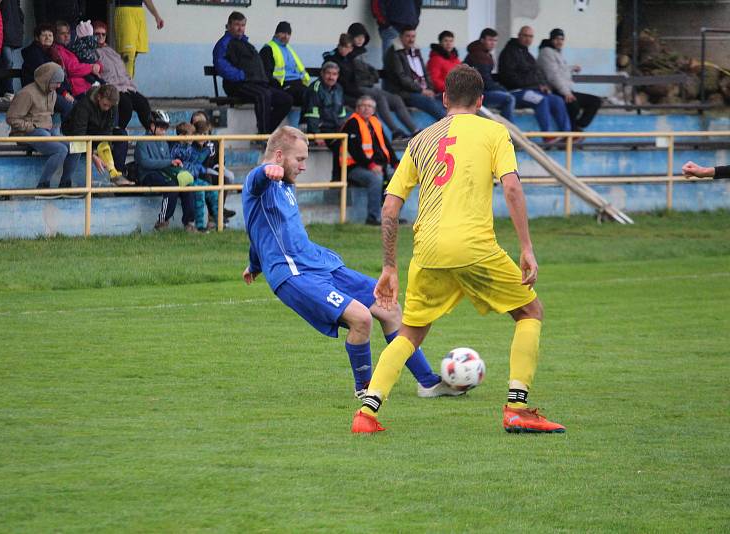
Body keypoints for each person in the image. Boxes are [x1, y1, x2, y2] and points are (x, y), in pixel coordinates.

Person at [351, 65, 565, 434]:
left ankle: (367, 414)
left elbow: (389, 208)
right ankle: (517, 407)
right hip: (474, 246)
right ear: (481, 101)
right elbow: (512, 189)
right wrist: (526, 247)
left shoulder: (419, 140)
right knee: (530, 311)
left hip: (428, 251)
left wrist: (389, 267)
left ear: (444, 99)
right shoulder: (494, 131)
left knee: (410, 334)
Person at [242, 124, 463, 399]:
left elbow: (258, 230)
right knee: (361, 319)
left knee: (389, 307)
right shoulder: (260, 181)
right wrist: (266, 172)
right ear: (278, 156)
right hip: (295, 275)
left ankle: (428, 382)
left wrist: (254, 264)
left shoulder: (285, 185)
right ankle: (366, 391)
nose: (303, 166)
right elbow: (256, 180)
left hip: (321, 264)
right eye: (299, 159)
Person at [213, 11, 293, 135]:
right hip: (237, 85)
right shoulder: (224, 43)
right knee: (263, 95)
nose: (240, 28)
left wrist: (265, 79)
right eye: (237, 25)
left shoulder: (246, 43)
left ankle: (265, 132)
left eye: (243, 25)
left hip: (256, 83)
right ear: (228, 26)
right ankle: (263, 134)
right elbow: (221, 66)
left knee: (286, 99)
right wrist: (241, 76)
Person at [324, 32, 415, 139]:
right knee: (372, 104)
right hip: (344, 94)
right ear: (339, 46)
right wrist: (360, 92)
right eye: (343, 47)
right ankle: (388, 133)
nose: (345, 50)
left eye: (348, 48)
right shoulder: (333, 60)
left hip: (357, 90)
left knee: (395, 99)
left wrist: (367, 83)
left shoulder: (350, 59)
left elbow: (366, 72)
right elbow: (342, 85)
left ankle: (414, 130)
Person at [6, 62, 78, 189]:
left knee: (76, 147)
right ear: (47, 79)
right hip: (26, 133)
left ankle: (65, 185)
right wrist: (33, 127)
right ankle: (43, 186)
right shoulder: (26, 93)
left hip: (46, 132)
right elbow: (11, 118)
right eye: (56, 82)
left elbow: (48, 116)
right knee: (60, 149)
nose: (59, 86)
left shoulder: (53, 93)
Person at [497, 26, 570, 137]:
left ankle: (567, 136)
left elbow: (537, 73)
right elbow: (510, 78)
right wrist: (534, 86)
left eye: (530, 36)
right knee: (540, 100)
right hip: (516, 91)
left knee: (557, 100)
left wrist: (543, 85)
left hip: (531, 90)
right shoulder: (509, 53)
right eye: (525, 36)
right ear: (519, 35)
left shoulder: (527, 54)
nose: (528, 39)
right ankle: (547, 136)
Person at [135, 110, 198, 233]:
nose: (164, 130)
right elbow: (146, 163)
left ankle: (189, 223)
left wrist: (175, 165)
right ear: (152, 126)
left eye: (166, 127)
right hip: (148, 175)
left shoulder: (163, 141)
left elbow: (166, 160)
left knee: (187, 186)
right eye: (161, 127)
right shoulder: (142, 142)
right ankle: (162, 223)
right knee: (171, 186)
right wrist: (169, 162)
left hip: (164, 173)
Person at [341, 95, 398, 225]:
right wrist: (371, 165)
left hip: (377, 165)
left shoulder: (375, 122)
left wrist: (395, 162)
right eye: (363, 106)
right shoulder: (352, 123)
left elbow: (386, 144)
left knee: (398, 177)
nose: (367, 109)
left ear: (373, 110)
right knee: (375, 178)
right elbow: (355, 150)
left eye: (370, 106)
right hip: (353, 167)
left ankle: (392, 216)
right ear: (357, 108)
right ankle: (373, 217)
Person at [61, 84, 132, 185]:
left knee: (121, 135)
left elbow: (108, 130)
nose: (107, 108)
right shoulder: (84, 105)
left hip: (96, 131)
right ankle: (64, 184)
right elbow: (79, 134)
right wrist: (93, 156)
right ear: (98, 97)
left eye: (110, 106)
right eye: (105, 105)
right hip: (75, 132)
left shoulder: (113, 106)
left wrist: (104, 150)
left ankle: (116, 174)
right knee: (76, 147)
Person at [537, 28, 601, 132]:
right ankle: (571, 130)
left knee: (595, 101)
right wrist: (566, 93)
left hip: (565, 90)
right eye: (557, 39)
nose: (559, 42)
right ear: (551, 39)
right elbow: (553, 76)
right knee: (573, 106)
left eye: (562, 39)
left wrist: (571, 68)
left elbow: (560, 69)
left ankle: (577, 126)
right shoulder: (546, 52)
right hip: (555, 91)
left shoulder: (555, 52)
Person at [93, 20, 151, 133]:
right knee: (126, 106)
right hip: (111, 87)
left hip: (126, 86)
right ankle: (118, 133)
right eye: (97, 34)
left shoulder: (111, 51)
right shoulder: (92, 52)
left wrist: (130, 83)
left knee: (143, 103)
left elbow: (122, 70)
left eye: (103, 34)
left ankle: (152, 132)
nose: (100, 37)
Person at [384, 27, 446, 121]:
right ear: (401, 37)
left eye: (413, 36)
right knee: (429, 101)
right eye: (408, 36)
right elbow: (402, 78)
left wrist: (429, 89)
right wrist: (421, 90)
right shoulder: (394, 52)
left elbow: (425, 73)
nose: (411, 39)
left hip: (421, 90)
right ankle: (450, 125)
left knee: (446, 99)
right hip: (404, 93)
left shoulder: (416, 50)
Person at [171, 121, 220, 233]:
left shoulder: (190, 147)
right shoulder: (177, 148)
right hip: (185, 180)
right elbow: (187, 163)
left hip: (194, 178)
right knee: (199, 192)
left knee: (213, 191)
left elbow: (195, 162)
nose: (192, 137)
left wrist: (202, 168)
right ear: (181, 136)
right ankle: (200, 226)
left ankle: (219, 223)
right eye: (191, 135)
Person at [190, 110, 236, 224]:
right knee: (214, 178)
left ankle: (220, 209)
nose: (200, 125)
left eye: (202, 122)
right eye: (196, 122)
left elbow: (220, 157)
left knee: (228, 176)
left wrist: (219, 166)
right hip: (201, 169)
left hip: (213, 168)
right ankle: (216, 213)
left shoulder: (214, 140)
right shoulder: (192, 140)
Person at [21, 23, 75, 118]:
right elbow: (47, 77)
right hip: (38, 92)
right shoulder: (34, 53)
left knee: (77, 105)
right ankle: (65, 132)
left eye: (50, 35)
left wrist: (67, 91)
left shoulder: (52, 52)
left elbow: (59, 75)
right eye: (44, 35)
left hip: (51, 91)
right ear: (37, 38)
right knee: (68, 106)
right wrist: (64, 93)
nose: (48, 38)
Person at [303, 61, 345, 179]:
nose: (331, 77)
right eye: (328, 73)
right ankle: (336, 181)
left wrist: (344, 130)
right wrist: (317, 134)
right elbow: (312, 114)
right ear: (322, 73)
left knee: (352, 143)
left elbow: (341, 113)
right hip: (319, 129)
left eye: (334, 74)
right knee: (340, 147)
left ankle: (347, 179)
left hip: (334, 128)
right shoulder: (315, 88)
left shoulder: (339, 89)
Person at [464, 28, 515, 123]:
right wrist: (503, 89)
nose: (493, 43)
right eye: (490, 40)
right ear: (482, 40)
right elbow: (486, 82)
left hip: (479, 92)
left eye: (495, 40)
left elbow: (487, 76)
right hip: (475, 95)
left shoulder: (483, 54)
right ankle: (507, 132)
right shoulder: (479, 56)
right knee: (509, 98)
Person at [259, 21, 310, 106]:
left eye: (288, 34)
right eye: (283, 33)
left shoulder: (289, 49)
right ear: (276, 33)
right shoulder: (268, 49)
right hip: (283, 85)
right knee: (307, 97)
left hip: (297, 83)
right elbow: (266, 73)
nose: (286, 36)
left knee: (315, 95)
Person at [113, 0, 164, 79]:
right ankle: (125, 87)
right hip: (125, 10)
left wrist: (157, 16)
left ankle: (129, 85)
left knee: (134, 53)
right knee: (127, 53)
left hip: (139, 12)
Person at [54, 20, 102, 98]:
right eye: (62, 33)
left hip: (87, 86)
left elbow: (91, 59)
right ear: (55, 35)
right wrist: (91, 67)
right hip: (78, 90)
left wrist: (97, 65)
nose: (66, 36)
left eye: (68, 33)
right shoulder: (58, 50)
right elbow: (73, 69)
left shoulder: (72, 48)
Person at [0, 0, 23, 95]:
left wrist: (20, 20)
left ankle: (8, 91)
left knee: (8, 62)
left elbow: (17, 8)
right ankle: (8, 91)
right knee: (8, 62)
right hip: (3, 30)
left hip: (12, 29)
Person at [427, 30, 460, 95]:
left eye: (451, 41)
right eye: (446, 41)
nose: (449, 43)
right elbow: (434, 80)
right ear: (440, 43)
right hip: (443, 93)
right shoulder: (435, 59)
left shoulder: (456, 59)